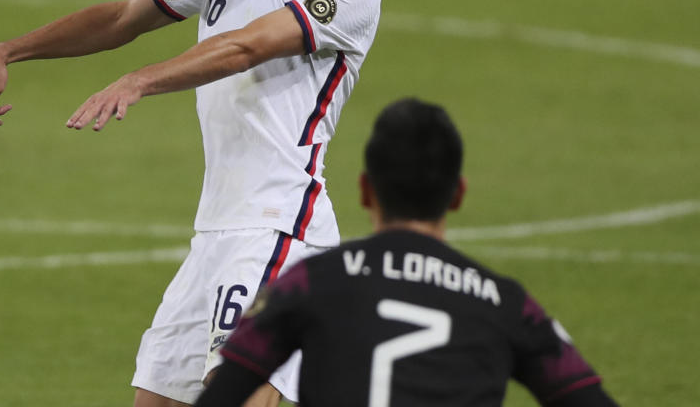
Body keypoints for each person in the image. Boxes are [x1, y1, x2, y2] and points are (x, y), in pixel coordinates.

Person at [0, 0, 408, 406]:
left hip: (279, 225)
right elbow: (125, 18)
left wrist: (141, 81)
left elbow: (248, 45)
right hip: (216, 232)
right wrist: (9, 50)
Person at [194, 98, 620, 407]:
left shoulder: (307, 284)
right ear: (458, 195)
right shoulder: (505, 304)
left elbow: (227, 393)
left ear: (365, 190)